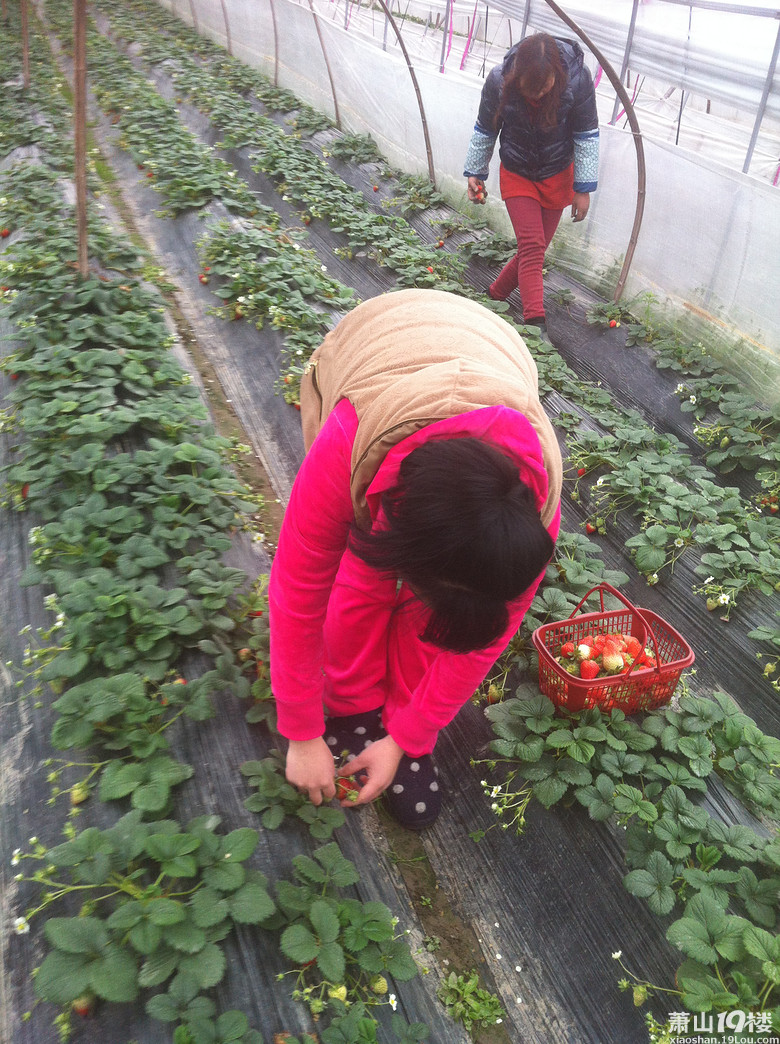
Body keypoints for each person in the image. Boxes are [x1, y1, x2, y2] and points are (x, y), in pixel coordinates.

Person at [268, 288, 562, 829]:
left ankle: (391, 721)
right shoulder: (349, 442)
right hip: (376, 346)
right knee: (362, 570)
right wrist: (303, 730)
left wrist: (408, 736)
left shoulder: (529, 519)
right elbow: (299, 589)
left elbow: (481, 639)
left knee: (446, 607)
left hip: (489, 348)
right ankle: (353, 706)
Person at [463, 32, 599, 333]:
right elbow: (486, 128)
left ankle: (494, 296)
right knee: (533, 246)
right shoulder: (499, 81)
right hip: (518, 172)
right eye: (529, 89)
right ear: (516, 77)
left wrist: (583, 188)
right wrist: (476, 172)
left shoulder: (577, 81)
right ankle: (535, 326)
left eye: (545, 87)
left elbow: (586, 135)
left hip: (557, 174)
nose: (537, 95)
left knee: (532, 251)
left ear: (557, 74)